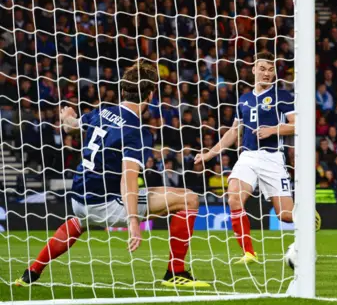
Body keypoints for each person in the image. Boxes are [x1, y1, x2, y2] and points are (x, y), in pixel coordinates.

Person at [16, 62, 210, 288]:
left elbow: (71, 127)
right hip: (106, 202)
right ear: (150, 94)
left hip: (79, 195)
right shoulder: (136, 131)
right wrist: (133, 222)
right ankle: (175, 273)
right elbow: (128, 178)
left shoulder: (103, 110)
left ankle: (32, 272)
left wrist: (66, 116)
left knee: (80, 221)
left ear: (124, 90)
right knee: (189, 199)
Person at [195, 52, 319, 264]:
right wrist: (209, 153)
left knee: (286, 215)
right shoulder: (244, 99)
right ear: (253, 70)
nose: (267, 73)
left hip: (273, 159)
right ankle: (249, 253)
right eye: (262, 68)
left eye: (271, 70)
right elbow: (233, 132)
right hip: (248, 157)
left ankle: (310, 218)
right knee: (233, 197)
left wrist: (273, 130)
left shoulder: (282, 96)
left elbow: (298, 124)